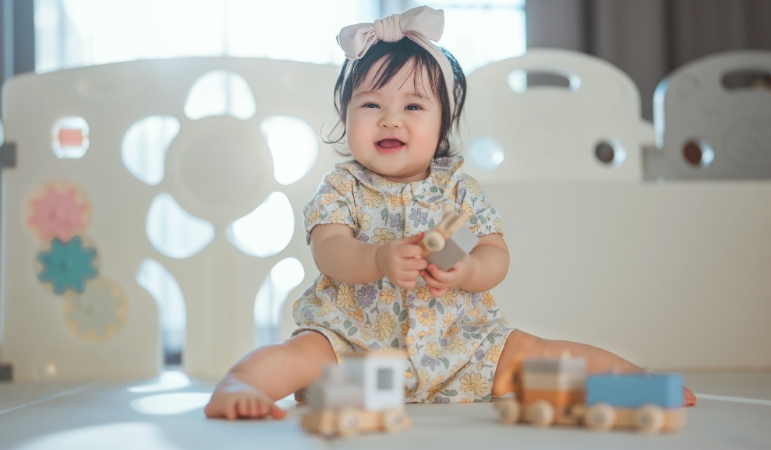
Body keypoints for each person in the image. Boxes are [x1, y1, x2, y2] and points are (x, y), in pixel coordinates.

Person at [205, 5, 695, 420]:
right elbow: (329, 251)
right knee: (304, 354)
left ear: (442, 126)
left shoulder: (459, 194)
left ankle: (635, 384)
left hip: (459, 353)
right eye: (371, 104)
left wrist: (467, 269)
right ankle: (238, 389)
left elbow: (494, 255)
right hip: (357, 358)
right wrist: (376, 260)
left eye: (414, 107)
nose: (390, 118)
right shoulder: (342, 188)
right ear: (345, 117)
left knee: (532, 357)